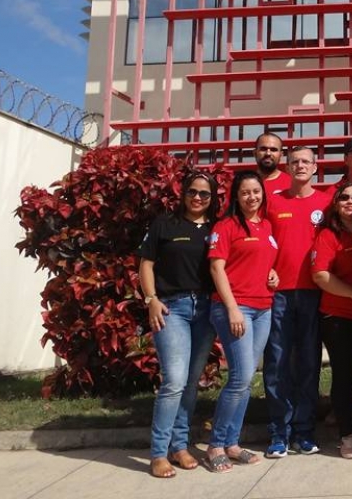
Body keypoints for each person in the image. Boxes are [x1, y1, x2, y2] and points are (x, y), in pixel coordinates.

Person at [137, 171, 220, 478]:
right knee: (173, 380)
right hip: (172, 309)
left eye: (205, 194)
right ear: (183, 193)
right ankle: (159, 452)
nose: (198, 198)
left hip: (206, 310)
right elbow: (146, 263)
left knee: (190, 381)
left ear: (212, 199)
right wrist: (151, 299)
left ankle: (180, 446)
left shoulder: (216, 229)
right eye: (193, 192)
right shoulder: (164, 224)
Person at [206, 170, 280, 473]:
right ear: (236, 197)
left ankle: (232, 443)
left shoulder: (267, 226)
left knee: (247, 378)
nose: (252, 197)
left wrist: (274, 273)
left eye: (256, 191)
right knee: (239, 377)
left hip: (264, 308)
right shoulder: (226, 227)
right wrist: (233, 308)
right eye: (245, 192)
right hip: (236, 309)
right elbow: (216, 269)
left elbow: (264, 261)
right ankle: (215, 445)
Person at [263, 147, 332, 457]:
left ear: (315, 167)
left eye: (306, 161)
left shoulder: (327, 201)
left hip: (313, 293)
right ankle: (279, 432)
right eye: (295, 162)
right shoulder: (274, 201)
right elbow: (262, 242)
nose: (300, 165)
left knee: (308, 363)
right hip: (278, 294)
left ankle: (304, 431)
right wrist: (268, 270)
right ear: (286, 167)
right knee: (277, 363)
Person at [312, 181, 352, 461]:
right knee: (345, 377)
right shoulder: (327, 235)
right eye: (345, 197)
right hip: (339, 317)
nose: (351, 202)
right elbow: (321, 276)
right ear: (336, 204)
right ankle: (347, 435)